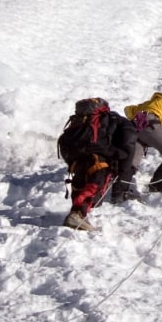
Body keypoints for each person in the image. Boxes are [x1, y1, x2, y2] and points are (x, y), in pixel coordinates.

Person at [58, 97, 139, 230]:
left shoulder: (83, 120)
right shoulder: (118, 121)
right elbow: (128, 143)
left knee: (80, 187)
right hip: (99, 160)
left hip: (78, 159)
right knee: (93, 187)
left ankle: (77, 214)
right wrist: (123, 168)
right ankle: (77, 215)